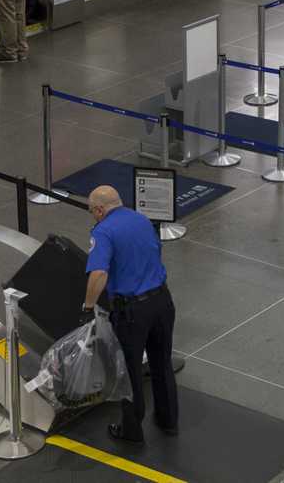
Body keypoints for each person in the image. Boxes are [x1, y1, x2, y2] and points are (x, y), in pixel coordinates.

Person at [82, 185, 177, 444]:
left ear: (100, 210)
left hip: (132, 311)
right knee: (162, 362)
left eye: (92, 211)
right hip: (162, 300)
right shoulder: (142, 219)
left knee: (129, 370)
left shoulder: (103, 231)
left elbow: (99, 273)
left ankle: (132, 430)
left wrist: (88, 307)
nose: (93, 215)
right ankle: (169, 421)